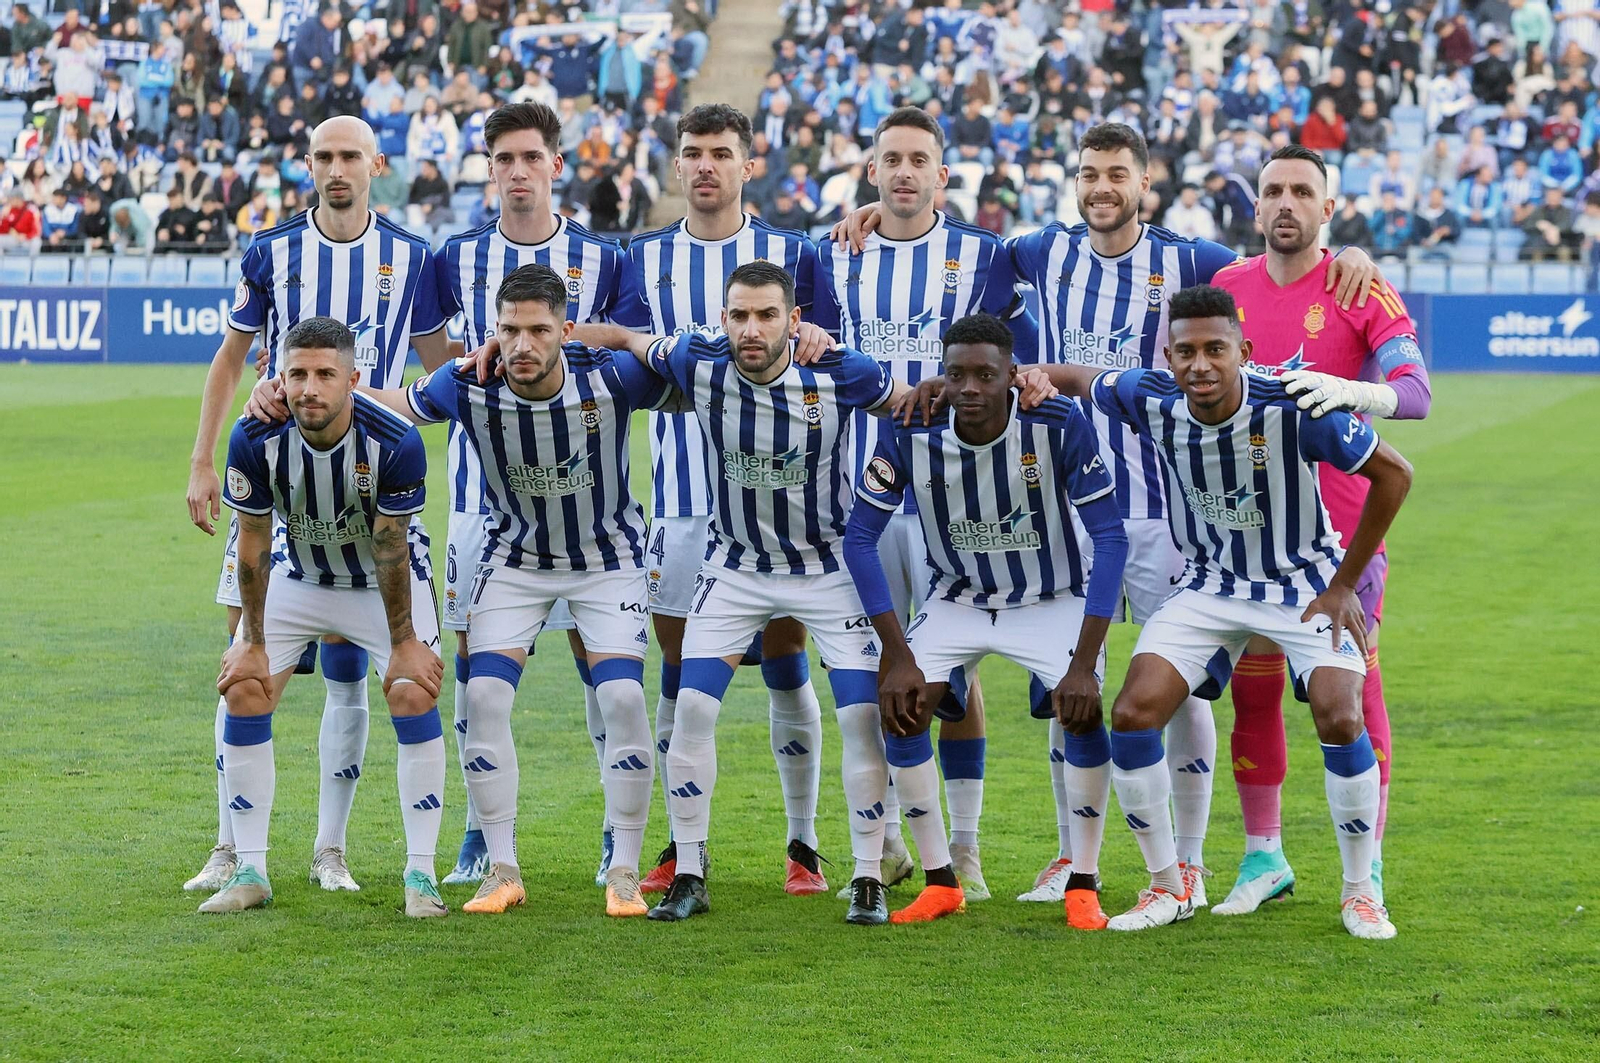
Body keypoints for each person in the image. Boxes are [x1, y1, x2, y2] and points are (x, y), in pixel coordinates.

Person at [1008, 284, 1414, 940]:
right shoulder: (1151, 395)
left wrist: (1343, 585)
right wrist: (1031, 376)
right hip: (1208, 586)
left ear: (1243, 351)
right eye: (1186, 351)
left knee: (1340, 714)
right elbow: (1081, 377)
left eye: (1216, 350)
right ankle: (1169, 884)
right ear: (1167, 355)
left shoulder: (1294, 404)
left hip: (1299, 584)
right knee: (1134, 713)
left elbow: (1395, 473)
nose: (1200, 364)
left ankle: (1361, 889)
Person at [587, 261, 915, 926]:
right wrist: (563, 335)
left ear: (795, 321)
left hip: (827, 567)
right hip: (733, 567)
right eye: (739, 315)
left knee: (859, 716)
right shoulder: (697, 357)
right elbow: (625, 337)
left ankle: (866, 875)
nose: (751, 329)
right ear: (724, 319)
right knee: (689, 715)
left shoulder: (839, 369)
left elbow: (910, 403)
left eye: (768, 315)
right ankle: (690, 871)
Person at [183, 116, 452, 896]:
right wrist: (204, 458)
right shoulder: (272, 248)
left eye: (349, 156)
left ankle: (330, 848)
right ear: (308, 165)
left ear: (375, 163)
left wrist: (381, 402)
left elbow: (439, 374)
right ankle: (232, 844)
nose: (337, 169)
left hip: (372, 485)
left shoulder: (414, 255)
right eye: (323, 157)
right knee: (245, 655)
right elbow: (232, 355)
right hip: (281, 476)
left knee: (349, 676)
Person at [378, 265, 665, 918]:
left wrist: (620, 335)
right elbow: (397, 405)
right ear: (492, 332)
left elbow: (693, 370)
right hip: (514, 560)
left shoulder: (612, 376)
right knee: (481, 695)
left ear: (566, 330)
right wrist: (306, 390)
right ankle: (501, 870)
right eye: (509, 329)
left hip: (608, 557)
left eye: (539, 329)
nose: (523, 344)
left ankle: (624, 870)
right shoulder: (468, 383)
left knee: (620, 695)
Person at [609, 105, 839, 897]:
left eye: (722, 154)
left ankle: (803, 844)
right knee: (680, 675)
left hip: (781, 505)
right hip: (680, 501)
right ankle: (682, 847)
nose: (706, 166)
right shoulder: (642, 259)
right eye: (693, 153)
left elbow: (829, 351)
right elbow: (637, 367)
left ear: (750, 163)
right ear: (676, 165)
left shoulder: (795, 253)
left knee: (784, 662)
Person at [816, 106, 1045, 902]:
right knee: (878, 667)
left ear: (944, 176)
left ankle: (968, 847)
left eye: (920, 159)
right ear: (871, 172)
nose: (905, 171)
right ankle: (884, 845)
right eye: (891, 159)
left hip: (958, 497)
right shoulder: (830, 255)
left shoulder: (989, 257)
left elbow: (1028, 349)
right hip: (862, 492)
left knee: (957, 677)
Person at [844, 313, 1127, 926]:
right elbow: (860, 539)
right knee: (901, 703)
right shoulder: (911, 425)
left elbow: (1110, 539)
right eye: (956, 375)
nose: (969, 387)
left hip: (1050, 599)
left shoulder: (1054, 422)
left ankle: (1084, 880)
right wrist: (896, 655)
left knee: (1082, 711)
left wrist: (1083, 664)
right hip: (956, 599)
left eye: (985, 375)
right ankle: (941, 880)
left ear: (1012, 377)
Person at [1212, 144, 1430, 920]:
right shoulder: (1225, 286)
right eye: (1273, 190)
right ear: (1257, 203)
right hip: (1247, 540)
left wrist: (1348, 390)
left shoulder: (1359, 285)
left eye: (1302, 191)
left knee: (1353, 701)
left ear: (1328, 210)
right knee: (1253, 696)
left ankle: (1363, 875)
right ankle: (1263, 855)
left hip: (1341, 541)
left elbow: (1415, 392)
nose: (1285, 203)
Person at [430, 103, 628, 888]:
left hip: (581, 499)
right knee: (476, 661)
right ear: (489, 168)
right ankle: (482, 833)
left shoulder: (604, 261)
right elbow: (435, 361)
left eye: (531, 157)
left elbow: (631, 354)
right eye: (503, 158)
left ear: (556, 164)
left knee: (596, 658)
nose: (518, 171)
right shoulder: (452, 258)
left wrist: (568, 339)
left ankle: (617, 830)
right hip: (481, 498)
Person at [200, 316, 448, 919]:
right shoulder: (253, 436)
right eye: (297, 374)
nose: (309, 388)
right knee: (245, 689)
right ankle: (252, 869)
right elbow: (254, 541)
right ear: (279, 377)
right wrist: (253, 640)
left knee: (413, 694)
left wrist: (406, 642)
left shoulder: (395, 442)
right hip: (300, 576)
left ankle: (421, 877)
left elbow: (391, 548)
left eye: (324, 374)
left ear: (353, 379)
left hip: (379, 584)